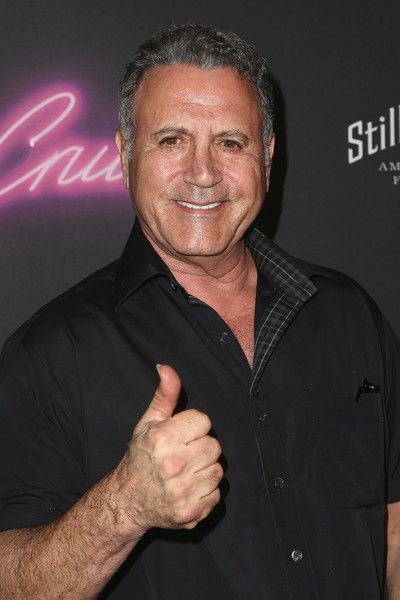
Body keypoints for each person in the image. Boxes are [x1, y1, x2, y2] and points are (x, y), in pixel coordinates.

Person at [0, 23, 399, 600]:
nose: (203, 172)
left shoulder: (350, 315)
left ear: (267, 154)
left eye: (231, 143)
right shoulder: (49, 354)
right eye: (171, 140)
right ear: (124, 152)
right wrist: (125, 507)